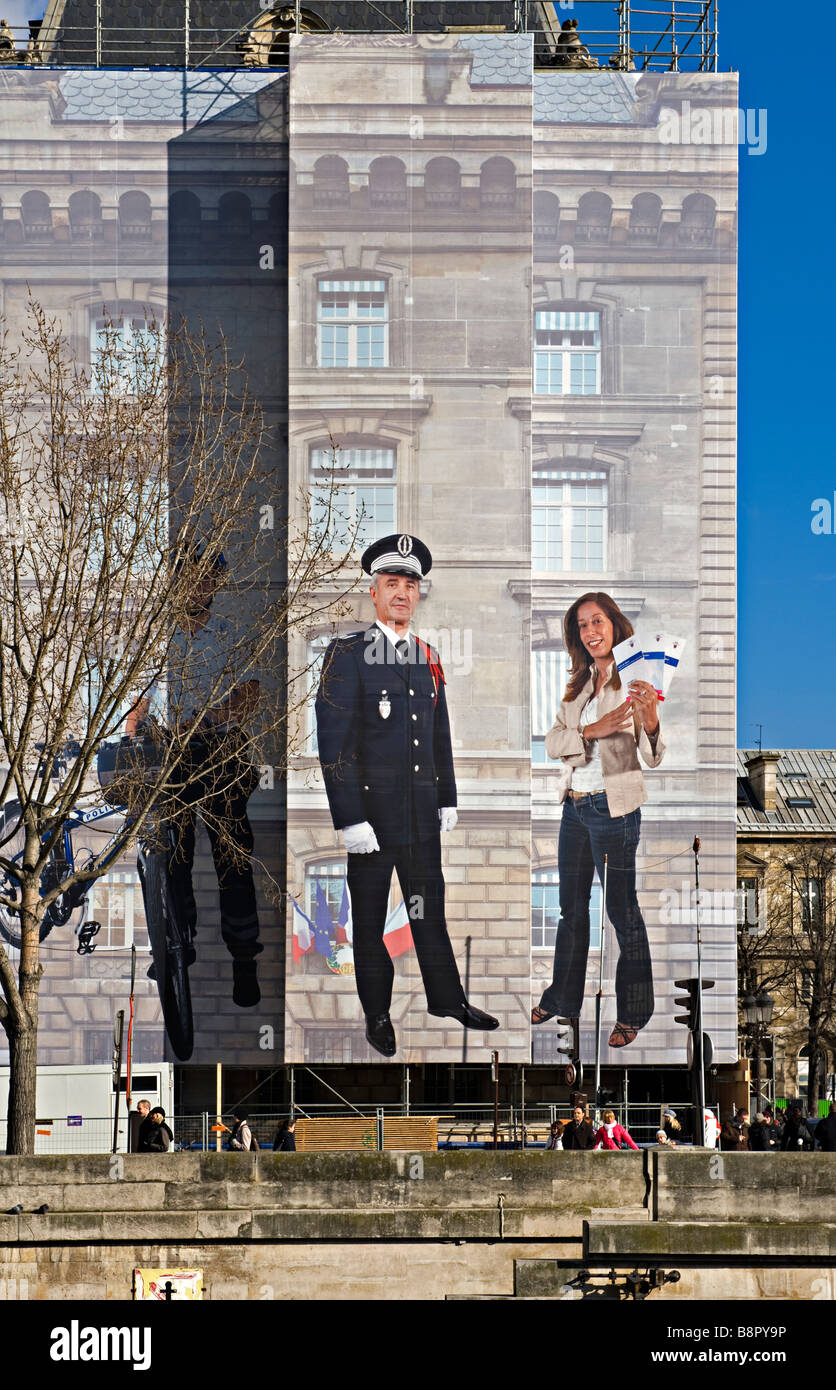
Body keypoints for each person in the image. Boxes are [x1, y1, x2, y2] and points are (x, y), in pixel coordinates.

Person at [315, 533, 499, 1057]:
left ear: (419, 595)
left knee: (429, 914)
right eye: (391, 583)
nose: (401, 593)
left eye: (410, 585)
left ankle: (448, 999)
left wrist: (447, 797)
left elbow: (438, 732)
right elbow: (335, 743)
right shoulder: (346, 654)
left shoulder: (427, 656)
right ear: (373, 593)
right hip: (371, 824)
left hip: (420, 820)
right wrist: (349, 819)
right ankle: (377, 1013)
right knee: (370, 926)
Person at [127, 543, 262, 1009]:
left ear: (216, 584)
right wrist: (133, 733)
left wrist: (208, 719)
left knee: (232, 855)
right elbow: (137, 702)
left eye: (206, 577)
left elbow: (249, 694)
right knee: (174, 856)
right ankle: (177, 950)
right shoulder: (157, 639)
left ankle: (244, 958)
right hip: (171, 758)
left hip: (221, 750)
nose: (197, 585)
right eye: (187, 576)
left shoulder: (228, 634)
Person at [531, 593, 664, 1049]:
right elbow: (552, 742)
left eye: (597, 621)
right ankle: (563, 999)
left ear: (615, 625)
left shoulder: (637, 678)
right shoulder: (579, 686)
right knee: (571, 911)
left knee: (621, 912)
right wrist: (593, 729)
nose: (590, 631)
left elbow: (653, 755)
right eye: (582, 625)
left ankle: (635, 1010)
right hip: (575, 805)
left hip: (615, 807)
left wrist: (649, 721)